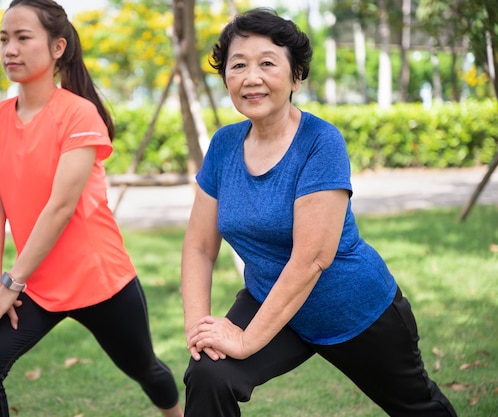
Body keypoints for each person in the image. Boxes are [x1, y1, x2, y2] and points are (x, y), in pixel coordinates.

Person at [180, 8, 458, 417]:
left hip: (353, 310)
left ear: (295, 77)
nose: (251, 78)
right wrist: (198, 328)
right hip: (271, 300)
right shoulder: (224, 146)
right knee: (209, 373)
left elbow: (312, 259)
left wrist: (243, 341)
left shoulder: (321, 142)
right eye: (238, 65)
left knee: (418, 407)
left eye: (267, 64)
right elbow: (200, 246)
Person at [0, 1, 183, 416]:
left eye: (23, 38)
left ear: (57, 47)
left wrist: (11, 283)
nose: (10, 49)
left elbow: (60, 207)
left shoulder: (79, 115)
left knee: (145, 368)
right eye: (4, 39)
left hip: (98, 278)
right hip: (34, 281)